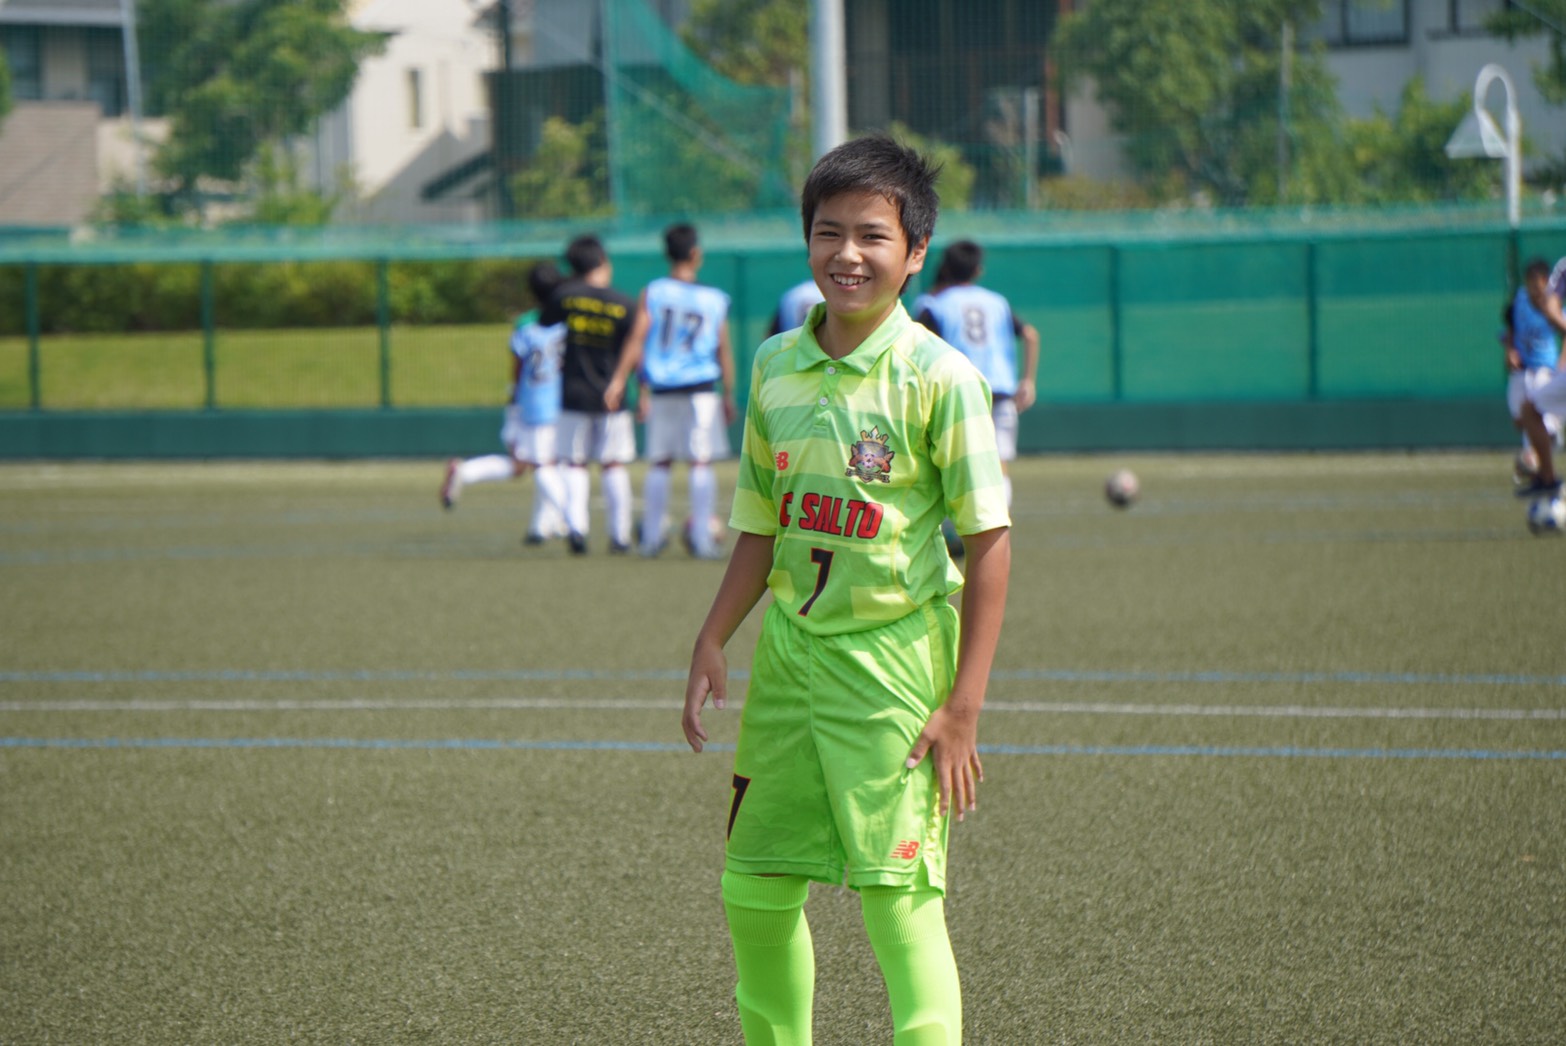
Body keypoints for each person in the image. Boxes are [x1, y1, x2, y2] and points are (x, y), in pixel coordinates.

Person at [682, 134, 1012, 1045]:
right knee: (754, 888)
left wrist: (964, 708)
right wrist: (714, 635)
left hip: (892, 666)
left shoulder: (941, 379)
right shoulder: (773, 365)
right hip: (789, 660)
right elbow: (762, 521)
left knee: (896, 899)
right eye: (829, 232)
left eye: (873, 236)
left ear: (915, 253)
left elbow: (989, 544)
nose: (848, 255)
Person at [605, 223, 737, 559]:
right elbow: (723, 349)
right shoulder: (714, 298)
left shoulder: (654, 292)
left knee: (660, 462)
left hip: (663, 388)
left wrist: (622, 380)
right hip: (701, 390)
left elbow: (637, 339)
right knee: (700, 462)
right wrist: (728, 394)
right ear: (695, 254)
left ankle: (650, 539)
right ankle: (703, 541)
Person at [440, 262, 569, 543]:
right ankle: (567, 520)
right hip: (554, 403)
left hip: (529, 401)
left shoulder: (524, 324)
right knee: (544, 463)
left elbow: (518, 368)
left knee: (524, 464)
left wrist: (513, 400)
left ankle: (539, 527)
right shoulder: (567, 321)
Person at [914, 239, 1040, 512]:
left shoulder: (932, 304)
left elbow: (920, 348)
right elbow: (1030, 335)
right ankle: (997, 523)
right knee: (997, 461)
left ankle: (954, 526)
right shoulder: (998, 302)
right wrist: (1028, 381)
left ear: (945, 267)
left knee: (952, 461)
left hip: (958, 391)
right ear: (978, 271)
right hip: (1000, 392)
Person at [539, 234, 637, 553]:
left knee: (574, 463)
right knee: (613, 464)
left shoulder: (563, 297)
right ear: (601, 261)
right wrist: (625, 382)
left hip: (573, 391)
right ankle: (620, 536)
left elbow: (544, 328)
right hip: (612, 394)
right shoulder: (623, 303)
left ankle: (577, 529)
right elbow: (634, 347)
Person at [1512, 256, 1566, 498]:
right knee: (1528, 412)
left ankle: (1545, 475)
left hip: (1546, 370)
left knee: (1532, 412)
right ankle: (1546, 477)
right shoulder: (1563, 269)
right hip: (1533, 371)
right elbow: (1550, 308)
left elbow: (1551, 309)